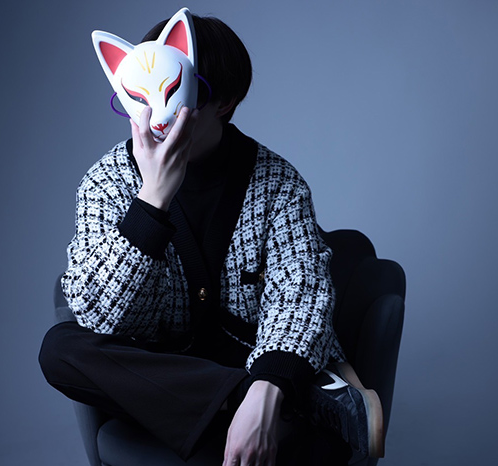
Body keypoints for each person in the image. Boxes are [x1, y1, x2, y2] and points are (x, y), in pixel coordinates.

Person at [39, 12, 383, 466]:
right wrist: (152, 199)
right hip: (161, 377)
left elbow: (300, 297)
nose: (156, 116)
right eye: (138, 95)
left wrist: (267, 386)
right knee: (61, 348)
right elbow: (100, 317)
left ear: (224, 100)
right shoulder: (106, 182)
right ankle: (294, 402)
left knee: (236, 448)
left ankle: (268, 403)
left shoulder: (277, 183)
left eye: (175, 92)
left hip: (253, 363)